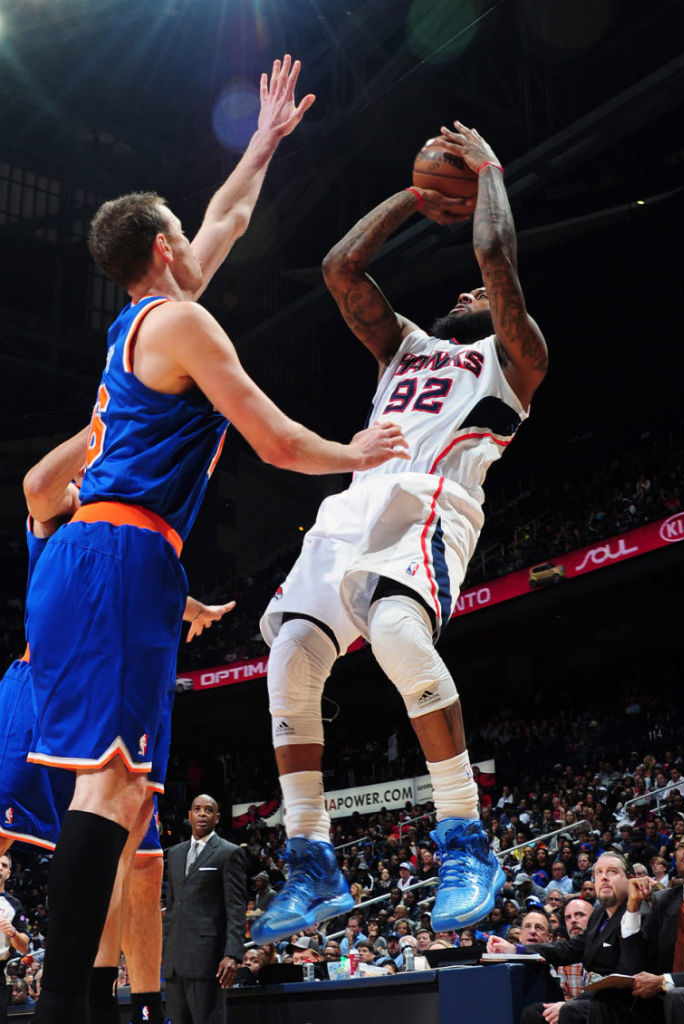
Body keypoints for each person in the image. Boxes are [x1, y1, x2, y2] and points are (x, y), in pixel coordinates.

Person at [24, 55, 407, 1024]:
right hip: (119, 555)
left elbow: (226, 219)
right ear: (162, 246)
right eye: (183, 232)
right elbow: (275, 440)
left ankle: (79, 998)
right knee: (113, 794)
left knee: (117, 796)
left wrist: (263, 143)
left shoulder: (137, 322)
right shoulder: (183, 322)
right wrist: (354, 450)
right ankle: (64, 1004)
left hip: (90, 556)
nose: (206, 235)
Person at [254, 121, 547, 945]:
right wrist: (414, 199)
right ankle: (312, 863)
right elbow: (340, 268)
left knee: (394, 633)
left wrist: (489, 168)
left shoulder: (513, 359)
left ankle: (464, 838)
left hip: (428, 506)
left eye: (480, 298)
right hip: (352, 504)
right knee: (289, 660)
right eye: (463, 297)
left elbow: (497, 261)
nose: (467, 296)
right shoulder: (406, 347)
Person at [0, 429, 235, 1024]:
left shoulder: (130, 539)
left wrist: (195, 608)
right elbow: (39, 486)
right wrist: (106, 424)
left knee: (138, 851)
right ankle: (75, 1002)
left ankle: (118, 1004)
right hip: (41, 691)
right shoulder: (69, 522)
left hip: (106, 673)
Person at [491, 852, 632, 1022]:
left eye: (612, 872)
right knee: (534, 1013)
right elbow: (568, 948)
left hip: (622, 1001)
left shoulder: (635, 914)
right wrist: (515, 949)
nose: (604, 878)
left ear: (629, 878)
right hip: (595, 999)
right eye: (599, 873)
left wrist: (572, 1004)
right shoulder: (599, 915)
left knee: (564, 1013)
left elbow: (626, 975)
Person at [611, 829, 684, 1024]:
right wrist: (633, 906)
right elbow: (635, 963)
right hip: (671, 993)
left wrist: (665, 981)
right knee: (608, 1000)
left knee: (679, 997)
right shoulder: (663, 900)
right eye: (682, 846)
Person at [163, 794, 245, 1024]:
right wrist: (164, 949)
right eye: (196, 809)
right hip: (174, 962)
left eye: (208, 810)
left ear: (217, 818)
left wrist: (232, 954)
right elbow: (172, 906)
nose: (202, 813)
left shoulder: (229, 852)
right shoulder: (175, 853)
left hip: (207, 959)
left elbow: (236, 908)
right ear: (189, 815)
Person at [521, 898, 594, 1024]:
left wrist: (570, 1007)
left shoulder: (607, 947)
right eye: (568, 918)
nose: (573, 921)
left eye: (580, 915)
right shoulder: (562, 961)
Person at [0, 852, 30, 1024]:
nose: (0, 868)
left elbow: (24, 947)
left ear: (9, 873)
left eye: (4, 865)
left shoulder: (14, 904)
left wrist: (13, 933)